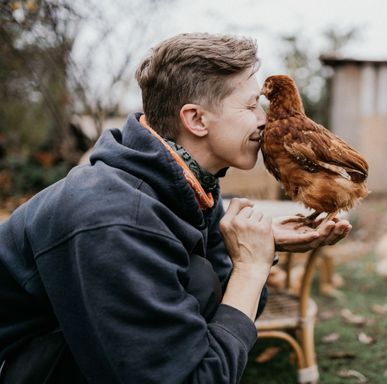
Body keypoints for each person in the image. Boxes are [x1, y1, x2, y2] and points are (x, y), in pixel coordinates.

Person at [0, 33, 352, 383]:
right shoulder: (117, 220)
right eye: (249, 106)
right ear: (196, 120)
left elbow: (225, 312)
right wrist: (249, 268)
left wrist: (256, 246)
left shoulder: (189, 187)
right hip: (23, 366)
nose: (264, 119)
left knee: (200, 279)